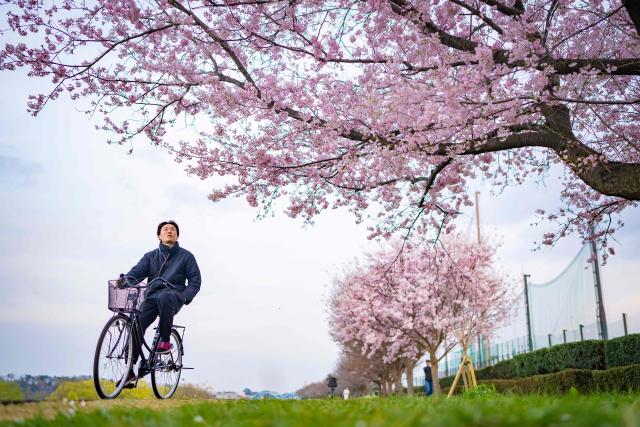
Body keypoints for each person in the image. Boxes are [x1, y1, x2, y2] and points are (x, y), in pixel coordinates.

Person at [120, 220, 201, 387]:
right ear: (159, 235)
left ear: (177, 235)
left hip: (174, 295)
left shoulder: (186, 256)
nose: (169, 231)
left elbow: (195, 280)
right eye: (165, 229)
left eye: (173, 229)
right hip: (151, 296)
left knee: (165, 297)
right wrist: (125, 280)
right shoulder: (150, 256)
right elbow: (137, 273)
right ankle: (128, 370)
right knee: (136, 325)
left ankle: (165, 340)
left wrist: (186, 296)